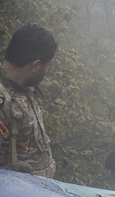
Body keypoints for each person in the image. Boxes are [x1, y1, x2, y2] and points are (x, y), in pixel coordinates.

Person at [0, 25, 58, 177]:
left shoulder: (22, 88)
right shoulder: (2, 101)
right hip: (13, 196)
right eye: (47, 66)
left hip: (35, 192)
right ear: (35, 65)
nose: (46, 72)